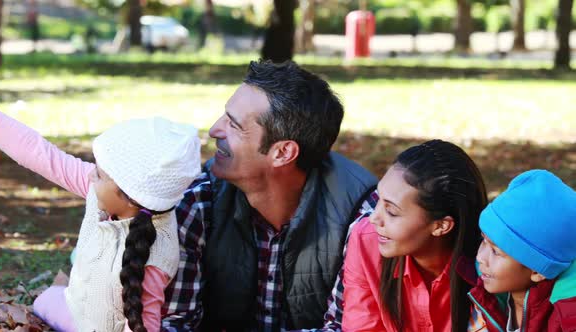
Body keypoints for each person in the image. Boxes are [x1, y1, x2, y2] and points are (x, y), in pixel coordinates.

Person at [161, 60, 379, 331]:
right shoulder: (198, 202)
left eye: (234, 124)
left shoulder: (363, 218)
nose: (215, 130)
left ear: (283, 153)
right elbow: (174, 323)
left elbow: (347, 328)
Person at [0, 106, 201, 332]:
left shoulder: (156, 257)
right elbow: (41, 155)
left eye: (98, 174)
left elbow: (145, 324)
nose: (90, 175)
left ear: (129, 195)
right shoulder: (108, 190)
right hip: (77, 311)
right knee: (45, 299)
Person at [342, 139, 489, 331]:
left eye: (392, 211)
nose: (374, 219)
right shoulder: (366, 239)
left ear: (441, 226)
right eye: (378, 200)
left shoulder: (489, 266)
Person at [469, 170, 576, 331]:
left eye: (496, 251)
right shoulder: (486, 295)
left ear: (537, 271)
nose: (480, 257)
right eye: (483, 240)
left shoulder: (566, 320)